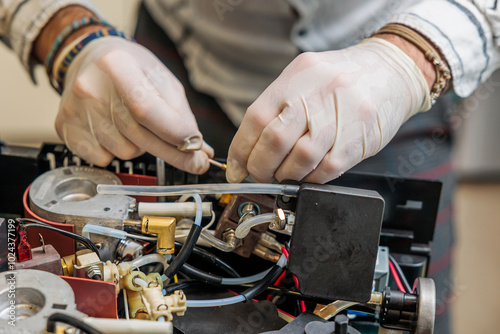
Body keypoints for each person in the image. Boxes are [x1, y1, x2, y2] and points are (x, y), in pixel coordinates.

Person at [1, 1, 496, 332]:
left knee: (390, 293)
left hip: (384, 107)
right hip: (177, 79)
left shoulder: (397, 81)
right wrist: (66, 33)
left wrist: (410, 60)